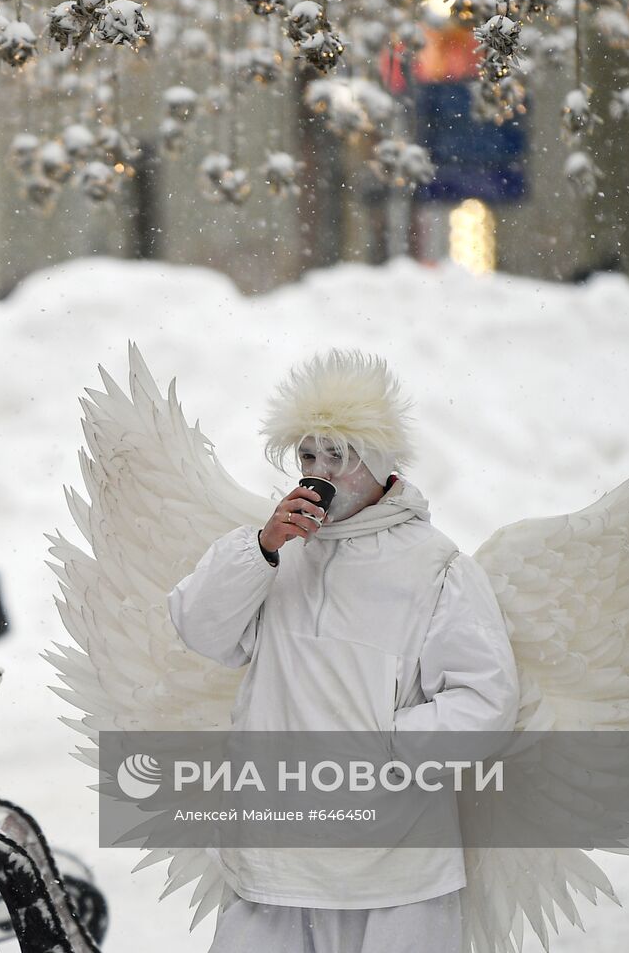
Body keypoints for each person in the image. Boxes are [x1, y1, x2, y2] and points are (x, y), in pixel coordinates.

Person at [167, 350, 520, 953]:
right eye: (308, 455)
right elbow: (200, 629)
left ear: (379, 462)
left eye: (339, 455)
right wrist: (261, 548)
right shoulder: (272, 553)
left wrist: (382, 746)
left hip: (397, 870)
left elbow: (486, 700)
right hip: (272, 863)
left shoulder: (437, 567)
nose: (319, 472)